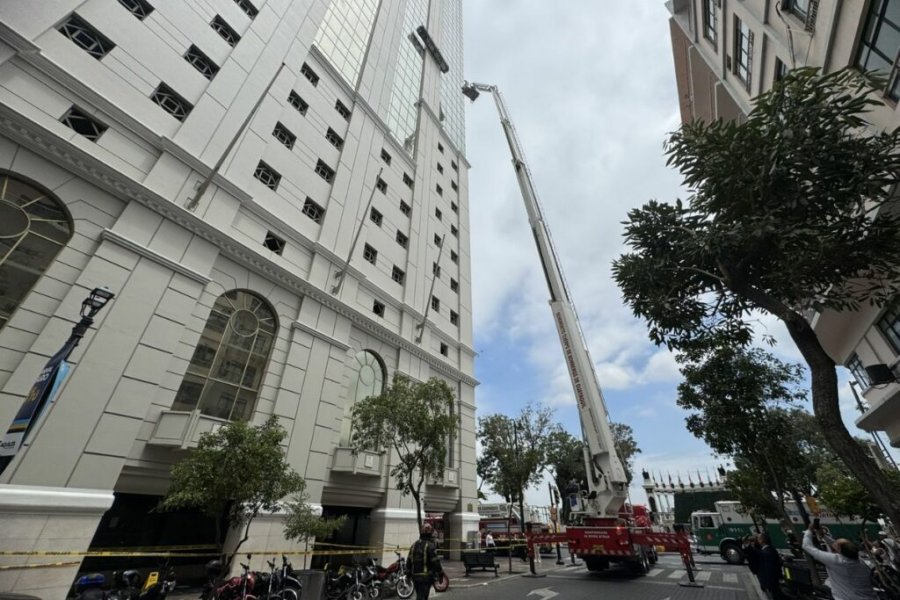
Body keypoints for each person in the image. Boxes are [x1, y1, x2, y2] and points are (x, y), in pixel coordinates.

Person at [801, 522, 878, 600]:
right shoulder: (860, 561)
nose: (834, 542)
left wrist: (809, 530)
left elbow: (807, 546)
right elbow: (835, 544)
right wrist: (823, 535)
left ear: (839, 550)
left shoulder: (837, 561)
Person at [408, 523, 443, 600]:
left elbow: (409, 561)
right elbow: (435, 562)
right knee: (423, 596)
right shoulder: (430, 545)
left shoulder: (414, 545)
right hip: (426, 577)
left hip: (415, 576)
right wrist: (440, 573)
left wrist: (408, 574)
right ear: (430, 533)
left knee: (420, 595)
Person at [756, 533, 786, 600]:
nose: (757, 540)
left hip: (772, 581)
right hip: (775, 580)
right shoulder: (770, 549)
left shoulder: (767, 551)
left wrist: (768, 583)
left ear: (762, 540)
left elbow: (770, 569)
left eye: (758, 538)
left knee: (776, 595)